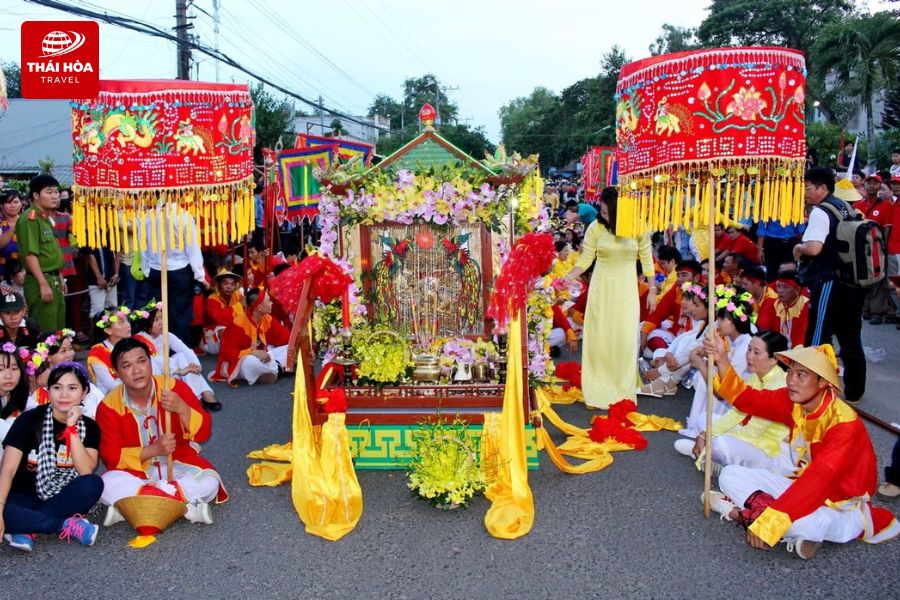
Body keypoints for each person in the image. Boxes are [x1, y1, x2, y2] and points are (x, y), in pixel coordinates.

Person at [701, 339, 899, 559]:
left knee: (804, 522)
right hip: (802, 484)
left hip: (840, 504)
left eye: (801, 375)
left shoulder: (844, 425)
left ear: (822, 382)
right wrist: (722, 359)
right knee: (729, 475)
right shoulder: (795, 400)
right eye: (791, 372)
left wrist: (768, 526)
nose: (791, 380)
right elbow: (749, 400)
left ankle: (740, 513)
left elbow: (818, 481)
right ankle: (774, 524)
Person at [97, 338, 227, 526]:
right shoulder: (108, 406)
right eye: (127, 366)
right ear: (117, 372)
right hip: (137, 472)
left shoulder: (174, 388)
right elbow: (111, 457)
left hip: (178, 463)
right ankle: (185, 507)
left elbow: (204, 432)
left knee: (209, 481)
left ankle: (133, 506)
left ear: (150, 363)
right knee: (105, 484)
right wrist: (152, 450)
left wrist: (181, 408)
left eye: (141, 361)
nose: (136, 370)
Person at [565, 186, 654, 409]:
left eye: (607, 212)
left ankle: (622, 391)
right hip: (601, 289)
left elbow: (647, 259)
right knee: (600, 339)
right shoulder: (595, 228)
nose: (602, 215)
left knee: (624, 339)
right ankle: (597, 390)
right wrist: (567, 277)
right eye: (601, 211)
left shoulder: (638, 227)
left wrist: (652, 290)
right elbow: (586, 259)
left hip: (626, 290)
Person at [0, 363, 103, 552]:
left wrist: (71, 428)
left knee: (93, 484)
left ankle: (27, 526)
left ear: (84, 392)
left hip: (62, 496)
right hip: (22, 496)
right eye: (57, 387)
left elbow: (85, 471)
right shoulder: (29, 420)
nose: (64, 395)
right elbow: (8, 469)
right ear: (48, 390)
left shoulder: (90, 427)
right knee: (4, 508)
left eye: (72, 388)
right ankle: (63, 525)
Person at [675, 331, 793, 477]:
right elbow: (737, 412)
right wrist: (707, 433)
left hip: (768, 448)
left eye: (756, 352)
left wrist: (711, 438)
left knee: (720, 445)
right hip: (748, 433)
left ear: (774, 359)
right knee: (704, 419)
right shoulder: (757, 376)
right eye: (749, 349)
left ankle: (713, 457)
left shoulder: (779, 386)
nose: (749, 356)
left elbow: (753, 432)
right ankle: (714, 457)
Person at [794, 167, 866, 403]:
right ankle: (855, 391)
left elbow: (814, 248)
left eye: (808, 188)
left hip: (829, 281)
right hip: (852, 281)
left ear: (822, 188)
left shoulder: (820, 211)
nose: (805, 192)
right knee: (850, 336)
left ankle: (808, 390)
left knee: (818, 335)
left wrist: (798, 248)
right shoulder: (843, 205)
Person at [682, 285, 754, 437]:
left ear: (734, 321)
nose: (718, 323)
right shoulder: (732, 338)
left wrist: (701, 364)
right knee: (705, 375)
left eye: (721, 319)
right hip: (729, 394)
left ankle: (703, 432)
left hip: (737, 403)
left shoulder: (745, 347)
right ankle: (697, 428)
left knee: (704, 377)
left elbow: (723, 393)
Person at [133, 300, 221, 412]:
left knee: (181, 356)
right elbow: (156, 361)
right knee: (173, 361)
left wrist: (196, 365)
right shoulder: (140, 339)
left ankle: (200, 396)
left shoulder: (165, 335)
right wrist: (179, 370)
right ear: (146, 323)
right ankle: (201, 397)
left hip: (171, 371)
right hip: (157, 376)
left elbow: (184, 349)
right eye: (156, 320)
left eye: (162, 318)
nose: (161, 323)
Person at [142, 203, 207, 346]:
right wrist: (199, 275)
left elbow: (143, 246)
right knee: (179, 315)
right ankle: (176, 352)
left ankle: (161, 350)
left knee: (157, 313)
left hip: (156, 269)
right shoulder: (183, 216)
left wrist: (147, 270)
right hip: (178, 270)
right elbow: (192, 248)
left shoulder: (148, 217)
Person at [638, 281, 708, 397]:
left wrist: (660, 371)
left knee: (689, 344)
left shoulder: (707, 324)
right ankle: (667, 382)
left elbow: (689, 350)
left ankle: (666, 381)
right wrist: (667, 355)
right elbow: (681, 338)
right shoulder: (700, 319)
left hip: (705, 367)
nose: (682, 302)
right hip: (682, 358)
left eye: (696, 304)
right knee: (678, 343)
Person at [16, 175, 66, 332]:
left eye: (56, 192)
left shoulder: (44, 217)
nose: (55, 196)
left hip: (52, 278)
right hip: (40, 280)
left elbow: (49, 252)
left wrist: (59, 276)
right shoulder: (29, 218)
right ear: (36, 195)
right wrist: (43, 284)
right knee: (46, 331)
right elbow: (30, 254)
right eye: (49, 192)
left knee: (58, 329)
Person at [211, 288, 289, 386]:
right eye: (268, 301)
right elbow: (227, 353)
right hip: (241, 361)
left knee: (291, 349)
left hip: (265, 356)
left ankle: (271, 370)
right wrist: (252, 352)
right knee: (250, 362)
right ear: (259, 307)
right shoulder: (238, 323)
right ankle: (278, 369)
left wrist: (300, 338)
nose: (271, 303)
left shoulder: (267, 319)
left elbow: (286, 337)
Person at [27, 330, 105, 419]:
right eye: (63, 351)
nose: (69, 354)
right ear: (48, 356)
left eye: (71, 349)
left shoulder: (89, 388)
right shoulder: (39, 385)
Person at [639, 259, 701, 354]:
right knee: (645, 329)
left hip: (697, 338)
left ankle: (665, 357)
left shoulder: (706, 293)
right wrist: (644, 333)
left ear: (696, 277)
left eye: (684, 275)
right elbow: (659, 312)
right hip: (677, 334)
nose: (679, 279)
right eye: (678, 275)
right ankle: (664, 355)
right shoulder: (677, 289)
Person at [86, 306, 135, 395]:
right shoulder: (98, 353)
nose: (128, 325)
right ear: (108, 330)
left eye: (127, 320)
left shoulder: (133, 345)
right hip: (110, 397)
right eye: (121, 322)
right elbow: (112, 386)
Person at [757, 271, 809, 348]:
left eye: (785, 287)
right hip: (775, 349)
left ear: (797, 290)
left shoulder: (806, 307)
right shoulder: (771, 304)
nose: (780, 290)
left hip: (800, 351)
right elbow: (762, 329)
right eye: (778, 286)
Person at [201, 269, 245, 355]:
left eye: (232, 284)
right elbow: (220, 319)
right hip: (210, 338)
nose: (229, 287)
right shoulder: (211, 299)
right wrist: (239, 305)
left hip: (232, 334)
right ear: (218, 285)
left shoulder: (237, 296)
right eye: (225, 283)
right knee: (224, 329)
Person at [0, 345, 30, 462]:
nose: (8, 376)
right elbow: (14, 436)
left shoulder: (13, 395)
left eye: (14, 369)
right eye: (0, 370)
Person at [86, 245, 120, 320]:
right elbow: (90, 255)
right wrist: (99, 278)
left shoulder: (111, 236)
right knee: (97, 311)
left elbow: (117, 252)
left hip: (111, 279)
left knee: (112, 309)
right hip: (95, 281)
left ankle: (112, 328)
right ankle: (95, 328)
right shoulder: (89, 237)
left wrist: (116, 274)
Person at [0, 188, 23, 281]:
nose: (13, 205)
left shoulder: (27, 221)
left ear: (21, 204)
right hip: (2, 274)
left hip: (24, 274)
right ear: (1, 205)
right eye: (8, 202)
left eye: (16, 202)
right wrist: (14, 228)